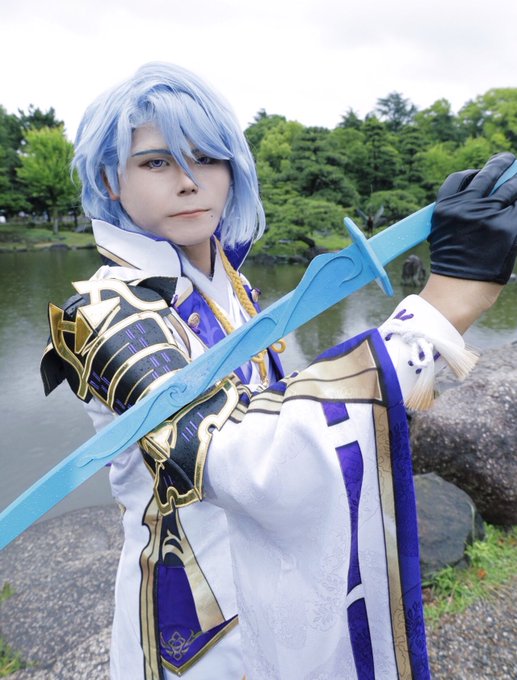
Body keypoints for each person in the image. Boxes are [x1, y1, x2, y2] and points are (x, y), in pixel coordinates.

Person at [40, 61, 517, 680]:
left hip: (276, 574)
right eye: (156, 162)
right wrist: (442, 307)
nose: (189, 182)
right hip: (195, 624)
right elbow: (248, 459)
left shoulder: (229, 285)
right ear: (110, 178)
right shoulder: (102, 315)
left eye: (207, 157)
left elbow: (279, 404)